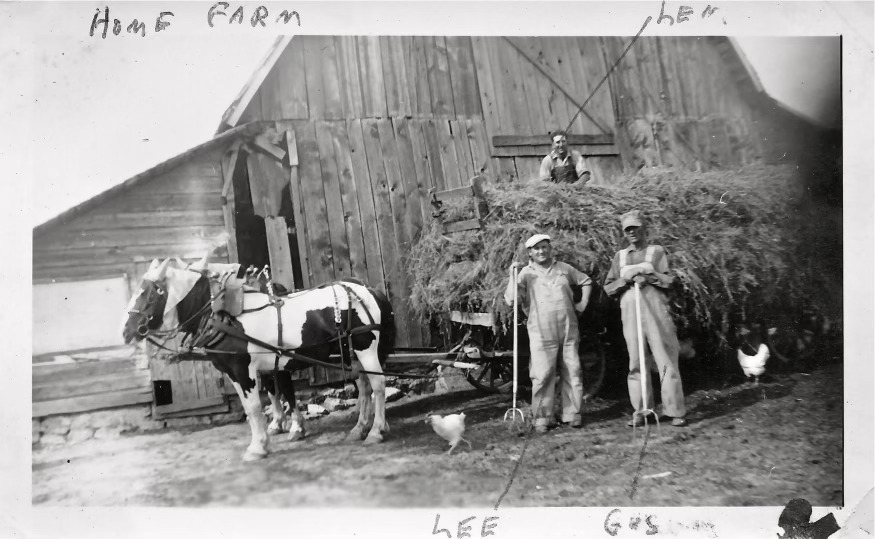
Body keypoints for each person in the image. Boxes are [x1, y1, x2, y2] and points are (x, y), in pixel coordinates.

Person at [603, 210, 688, 427]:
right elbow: (609, 287)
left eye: (635, 228)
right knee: (636, 360)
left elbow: (669, 281)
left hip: (655, 308)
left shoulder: (656, 252)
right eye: (627, 230)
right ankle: (642, 411)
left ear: (643, 228)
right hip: (630, 309)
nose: (632, 233)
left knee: (665, 357)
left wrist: (648, 276)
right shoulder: (620, 257)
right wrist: (626, 280)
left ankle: (674, 410)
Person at [504, 233, 592, 432]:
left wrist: (582, 303)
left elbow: (586, 281)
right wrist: (512, 275)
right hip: (540, 330)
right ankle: (543, 417)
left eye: (545, 247)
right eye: (537, 249)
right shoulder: (525, 273)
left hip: (568, 327)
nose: (541, 251)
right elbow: (511, 300)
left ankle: (572, 414)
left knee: (573, 369)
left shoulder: (564, 269)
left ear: (550, 248)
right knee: (543, 373)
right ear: (530, 253)